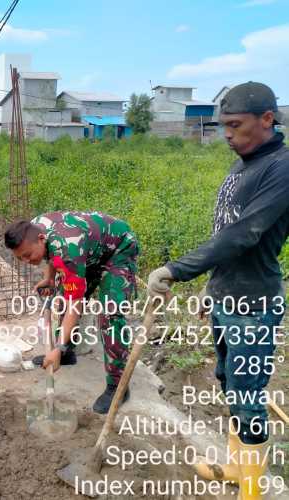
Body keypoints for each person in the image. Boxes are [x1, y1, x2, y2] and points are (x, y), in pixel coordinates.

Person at [147, 82, 288, 499]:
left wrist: (177, 269)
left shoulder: (281, 168)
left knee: (248, 394)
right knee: (229, 381)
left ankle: (251, 490)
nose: (227, 133)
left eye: (235, 125)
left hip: (253, 304)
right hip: (228, 296)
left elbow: (245, 235)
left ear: (267, 119)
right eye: (223, 125)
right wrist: (212, 285)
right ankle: (234, 466)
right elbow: (223, 229)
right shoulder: (241, 164)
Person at [4, 211, 140, 414]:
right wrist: (50, 278)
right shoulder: (34, 228)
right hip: (89, 251)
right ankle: (66, 352)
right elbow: (52, 254)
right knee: (63, 294)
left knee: (110, 314)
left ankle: (118, 386)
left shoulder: (67, 249)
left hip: (118, 251)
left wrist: (55, 348)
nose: (25, 261)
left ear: (41, 239)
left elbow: (74, 304)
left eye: (27, 255)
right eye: (20, 258)